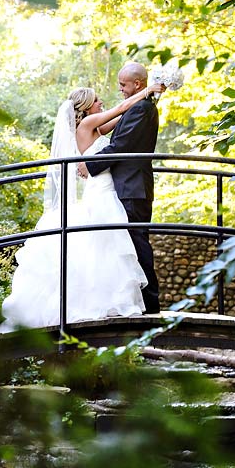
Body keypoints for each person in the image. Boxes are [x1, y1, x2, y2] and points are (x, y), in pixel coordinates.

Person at [0, 81, 165, 333]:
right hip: (102, 190)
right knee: (105, 246)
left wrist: (151, 103)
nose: (101, 103)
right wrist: (148, 90)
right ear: (86, 107)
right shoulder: (87, 125)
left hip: (104, 186)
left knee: (105, 248)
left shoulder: (92, 126)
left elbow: (124, 122)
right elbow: (121, 107)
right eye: (97, 100)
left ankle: (109, 300)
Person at [77, 62, 161, 314]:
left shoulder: (141, 109)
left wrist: (89, 165)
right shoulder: (137, 108)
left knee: (136, 244)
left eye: (123, 85)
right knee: (125, 245)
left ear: (137, 84)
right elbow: (116, 134)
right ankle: (136, 302)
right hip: (122, 187)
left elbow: (121, 146)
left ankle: (150, 304)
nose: (120, 90)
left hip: (131, 187)